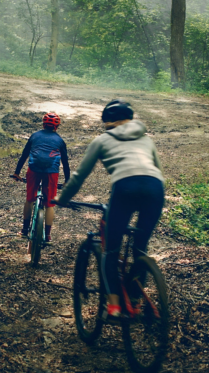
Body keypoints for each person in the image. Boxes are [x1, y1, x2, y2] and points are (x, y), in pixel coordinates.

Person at [55, 99, 164, 319]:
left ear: (107, 121)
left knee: (111, 251)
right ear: (131, 119)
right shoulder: (146, 140)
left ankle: (114, 305)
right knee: (140, 247)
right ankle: (134, 300)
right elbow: (157, 170)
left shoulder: (102, 140)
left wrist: (62, 198)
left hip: (124, 187)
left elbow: (78, 177)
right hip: (155, 188)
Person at [11, 112, 70, 243]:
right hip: (51, 173)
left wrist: (16, 173)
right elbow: (65, 163)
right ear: (57, 126)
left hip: (34, 170)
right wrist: (67, 181)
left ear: (43, 124)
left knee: (29, 200)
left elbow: (24, 155)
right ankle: (48, 236)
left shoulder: (35, 136)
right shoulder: (60, 140)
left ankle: (24, 231)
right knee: (49, 205)